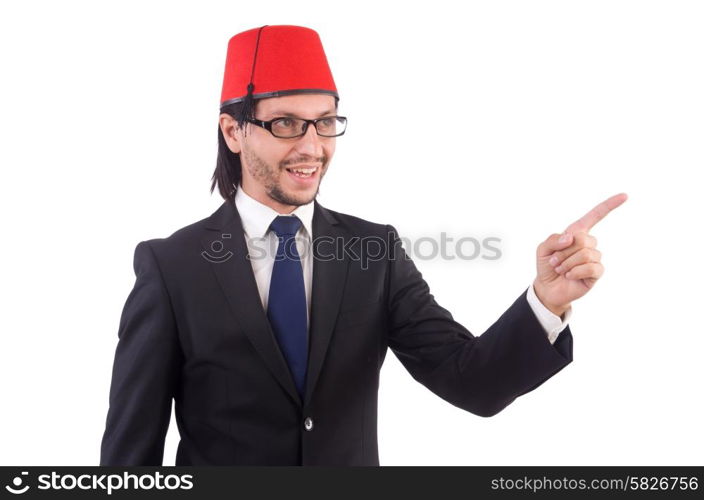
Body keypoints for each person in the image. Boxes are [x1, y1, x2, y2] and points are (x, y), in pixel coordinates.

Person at [99, 25, 627, 466]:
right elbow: (130, 452)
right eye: (285, 123)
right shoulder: (172, 266)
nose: (312, 146)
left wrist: (547, 300)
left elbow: (474, 384)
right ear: (234, 131)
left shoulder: (374, 252)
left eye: (325, 121)